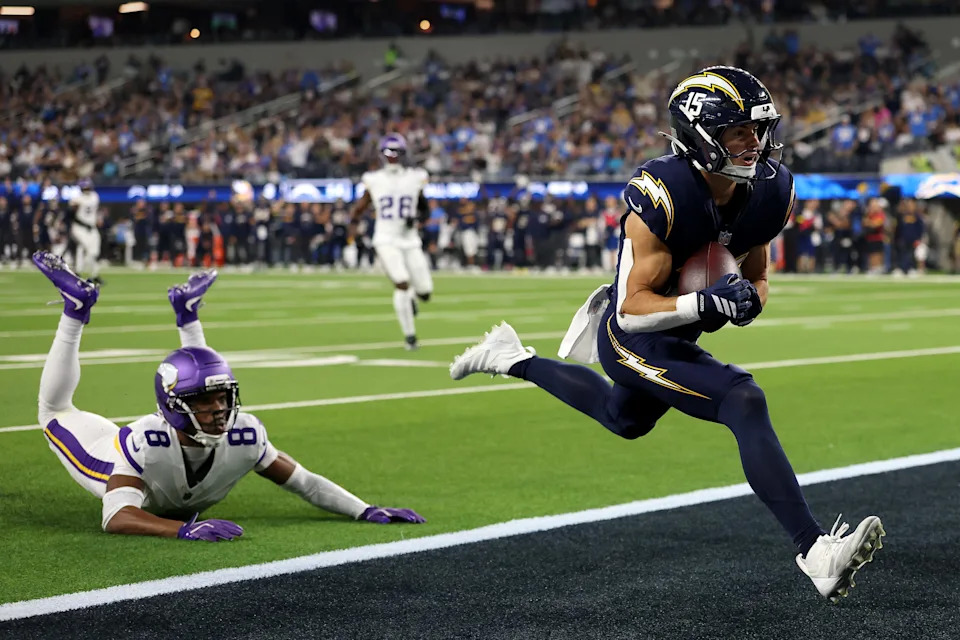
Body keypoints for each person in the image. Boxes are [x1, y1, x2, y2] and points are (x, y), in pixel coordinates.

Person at [449, 66, 884, 602]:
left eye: (757, 129)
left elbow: (758, 274)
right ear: (702, 136)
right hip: (632, 336)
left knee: (623, 418)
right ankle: (815, 550)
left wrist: (749, 304)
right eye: (738, 131)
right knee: (743, 399)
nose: (755, 142)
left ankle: (512, 358)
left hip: (678, 333)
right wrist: (703, 301)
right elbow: (632, 308)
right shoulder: (664, 192)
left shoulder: (771, 190)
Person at [32, 251, 425, 541]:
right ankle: (75, 312)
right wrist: (182, 530)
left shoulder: (245, 435)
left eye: (223, 399)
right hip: (102, 456)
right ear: (174, 407)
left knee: (206, 374)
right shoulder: (147, 441)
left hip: (161, 454)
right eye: (204, 403)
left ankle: (187, 315)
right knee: (54, 411)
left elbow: (304, 482)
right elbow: (117, 516)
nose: (219, 409)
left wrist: (364, 509)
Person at [349, 133, 433, 350]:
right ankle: (410, 337)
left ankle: (414, 297)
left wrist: (417, 219)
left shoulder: (416, 177)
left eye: (397, 153)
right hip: (385, 239)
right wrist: (353, 223)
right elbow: (361, 205)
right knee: (402, 283)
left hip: (410, 240)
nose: (392, 157)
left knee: (425, 292)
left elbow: (425, 209)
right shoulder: (374, 179)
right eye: (389, 153)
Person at [68, 178, 103, 284]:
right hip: (79, 227)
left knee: (94, 252)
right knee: (85, 248)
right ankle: (79, 272)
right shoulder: (78, 198)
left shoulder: (94, 197)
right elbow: (71, 210)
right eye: (85, 187)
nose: (86, 189)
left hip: (91, 228)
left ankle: (93, 274)